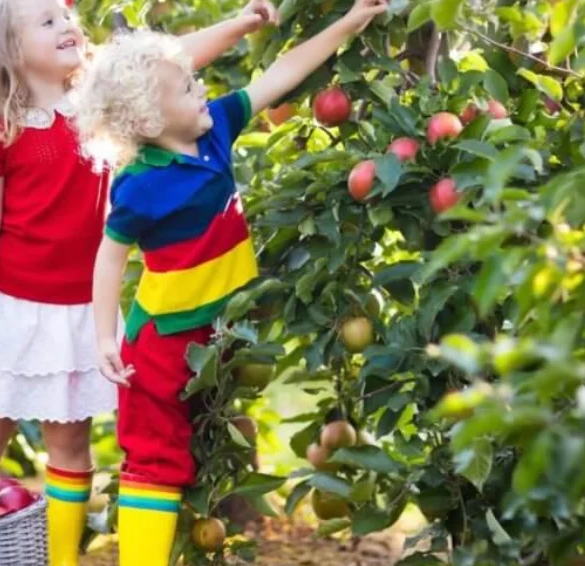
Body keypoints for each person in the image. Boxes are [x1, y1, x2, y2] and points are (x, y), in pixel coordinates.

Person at [0, 0, 278, 564]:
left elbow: (174, 60)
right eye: (46, 21)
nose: (67, 25)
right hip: (14, 307)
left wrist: (243, 23)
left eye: (66, 15)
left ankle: (60, 557)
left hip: (78, 309)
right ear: (8, 49)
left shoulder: (95, 95)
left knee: (70, 444)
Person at [77, 0, 389, 562]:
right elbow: (108, 259)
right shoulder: (138, 185)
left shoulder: (217, 127)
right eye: (185, 85)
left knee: (206, 444)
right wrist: (105, 338)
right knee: (154, 458)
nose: (201, 88)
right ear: (149, 120)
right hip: (163, 341)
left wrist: (349, 23)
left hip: (222, 331)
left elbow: (282, 73)